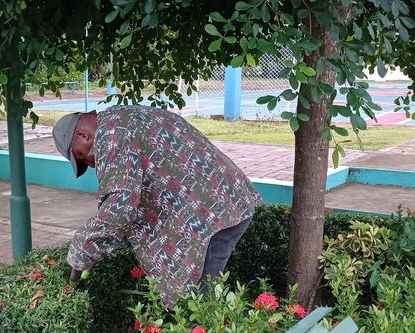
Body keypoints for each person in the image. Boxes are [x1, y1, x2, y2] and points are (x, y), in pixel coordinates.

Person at [51, 105, 261, 306]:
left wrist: (82, 250)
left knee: (199, 303)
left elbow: (119, 207)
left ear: (82, 135)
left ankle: (212, 331)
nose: (90, 164)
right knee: (194, 297)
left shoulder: (113, 134)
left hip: (214, 215)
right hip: (227, 200)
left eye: (81, 157)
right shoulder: (122, 116)